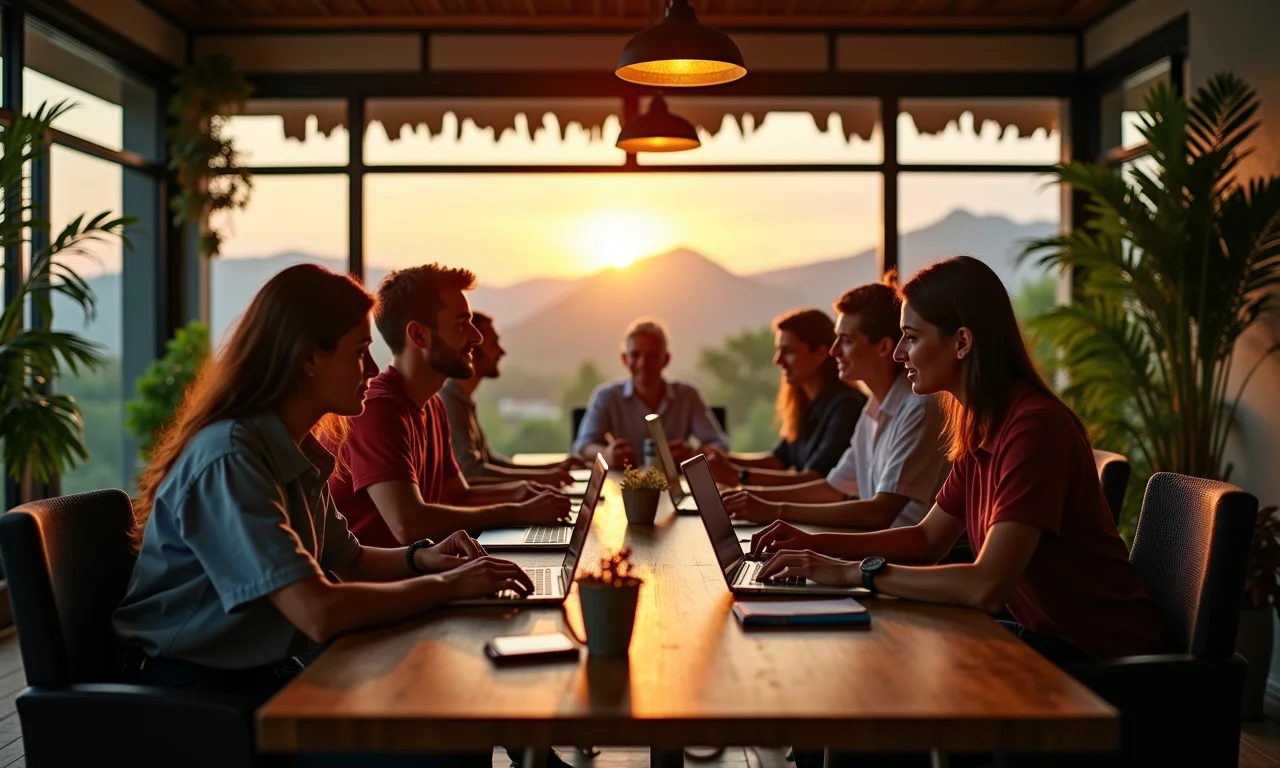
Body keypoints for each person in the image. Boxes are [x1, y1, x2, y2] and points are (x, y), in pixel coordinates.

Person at [753, 256, 1163, 768]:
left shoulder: (1033, 428)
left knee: (870, 690)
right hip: (1043, 640)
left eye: (912, 337)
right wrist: (813, 546)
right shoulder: (982, 424)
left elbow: (985, 585)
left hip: (1099, 667)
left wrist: (854, 572)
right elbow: (927, 539)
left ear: (962, 342)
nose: (899, 352)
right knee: (858, 677)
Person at [113, 265, 531, 767]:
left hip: (259, 676)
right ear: (309, 355)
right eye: (359, 352)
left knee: (454, 718)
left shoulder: (292, 448)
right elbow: (318, 611)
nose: (374, 371)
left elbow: (349, 558)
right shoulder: (231, 459)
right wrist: (451, 586)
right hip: (198, 703)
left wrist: (425, 560)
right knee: (443, 743)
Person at [328, 264, 573, 548]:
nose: (476, 337)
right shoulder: (378, 410)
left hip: (422, 575)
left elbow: (459, 495)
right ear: (419, 336)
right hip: (378, 588)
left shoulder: (433, 404)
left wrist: (524, 493)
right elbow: (409, 524)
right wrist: (517, 511)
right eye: (461, 324)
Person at [720, 281, 950, 531]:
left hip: (899, 561)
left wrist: (772, 508)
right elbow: (832, 488)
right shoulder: (873, 410)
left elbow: (879, 513)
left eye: (846, 340)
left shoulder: (918, 408)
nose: (833, 351)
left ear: (884, 347)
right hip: (874, 548)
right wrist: (750, 497)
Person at [701, 308, 865, 488]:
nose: (778, 360)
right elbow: (778, 461)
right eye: (779, 350)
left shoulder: (846, 407)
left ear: (819, 353)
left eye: (788, 351)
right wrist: (721, 460)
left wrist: (737, 475)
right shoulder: (804, 403)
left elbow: (816, 481)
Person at [440, 311, 583, 485]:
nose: (502, 351)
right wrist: (542, 478)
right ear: (473, 350)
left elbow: (489, 461)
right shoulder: (449, 403)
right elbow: (471, 472)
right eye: (494, 344)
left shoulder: (461, 400)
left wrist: (549, 469)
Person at [572, 317, 728, 468]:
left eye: (652, 356)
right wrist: (608, 455)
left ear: (666, 359)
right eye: (635, 355)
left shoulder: (688, 396)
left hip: (675, 485)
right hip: (624, 486)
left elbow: (719, 444)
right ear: (625, 359)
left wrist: (693, 456)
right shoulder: (606, 396)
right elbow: (583, 447)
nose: (643, 363)